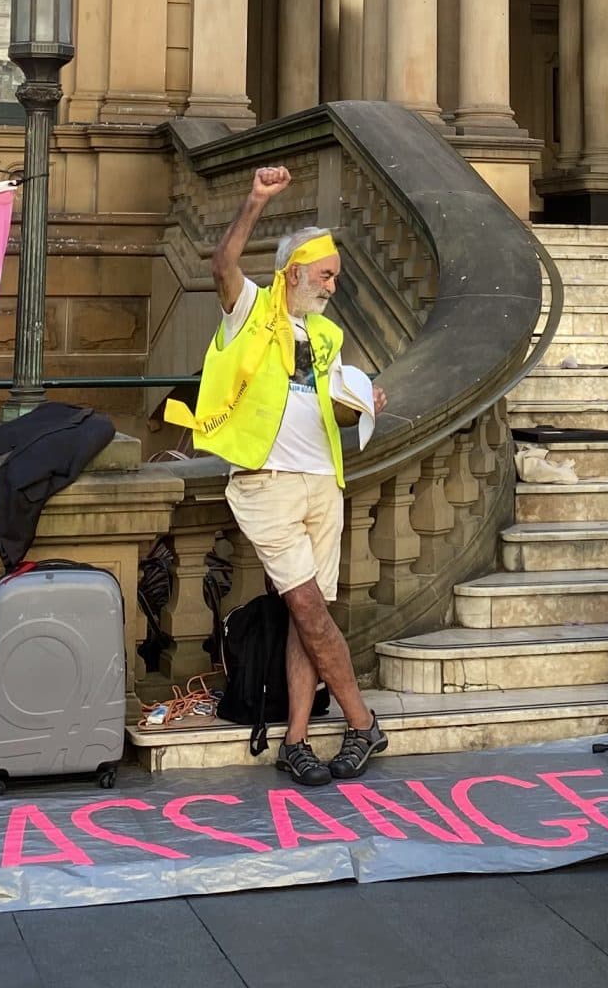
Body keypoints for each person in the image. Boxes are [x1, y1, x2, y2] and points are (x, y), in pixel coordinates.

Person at [166, 165, 388, 788]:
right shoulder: (251, 310)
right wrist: (257, 200)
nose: (332, 287)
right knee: (311, 610)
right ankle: (363, 723)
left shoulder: (325, 333)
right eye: (326, 275)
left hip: (323, 480)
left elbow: (321, 398)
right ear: (295, 270)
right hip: (267, 483)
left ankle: (294, 740)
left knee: (301, 618)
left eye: (336, 278)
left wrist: (364, 402)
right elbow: (221, 264)